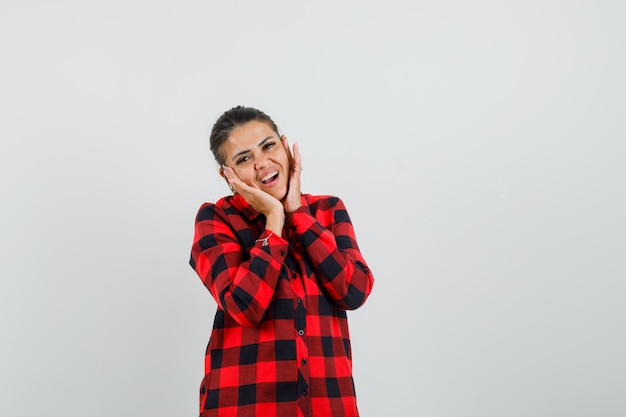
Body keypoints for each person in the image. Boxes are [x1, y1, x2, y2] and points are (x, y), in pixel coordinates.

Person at [189, 106, 374, 417]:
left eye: (269, 146)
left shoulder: (329, 211)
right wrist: (274, 219)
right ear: (228, 175)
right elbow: (244, 306)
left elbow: (354, 291)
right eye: (243, 159)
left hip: (328, 407)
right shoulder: (216, 219)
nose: (262, 163)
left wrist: (298, 214)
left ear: (286, 147)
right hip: (245, 407)